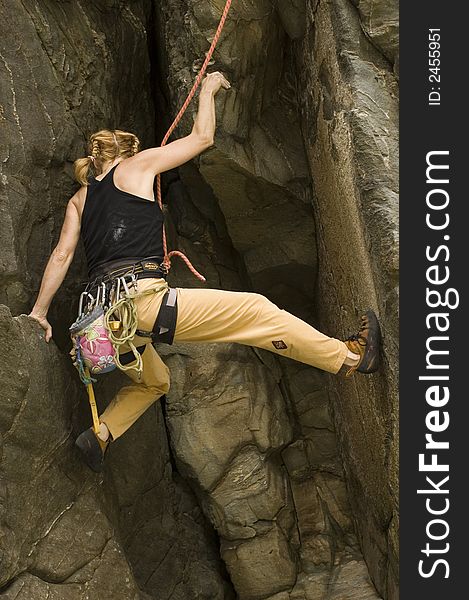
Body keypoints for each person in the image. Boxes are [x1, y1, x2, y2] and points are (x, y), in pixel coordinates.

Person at [28, 71, 381, 472]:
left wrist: (39, 313)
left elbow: (61, 255)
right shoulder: (137, 166)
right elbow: (202, 138)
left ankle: (102, 433)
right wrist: (209, 90)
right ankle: (349, 359)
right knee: (256, 311)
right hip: (142, 304)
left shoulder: (79, 199)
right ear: (123, 152)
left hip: (105, 328)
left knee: (154, 381)